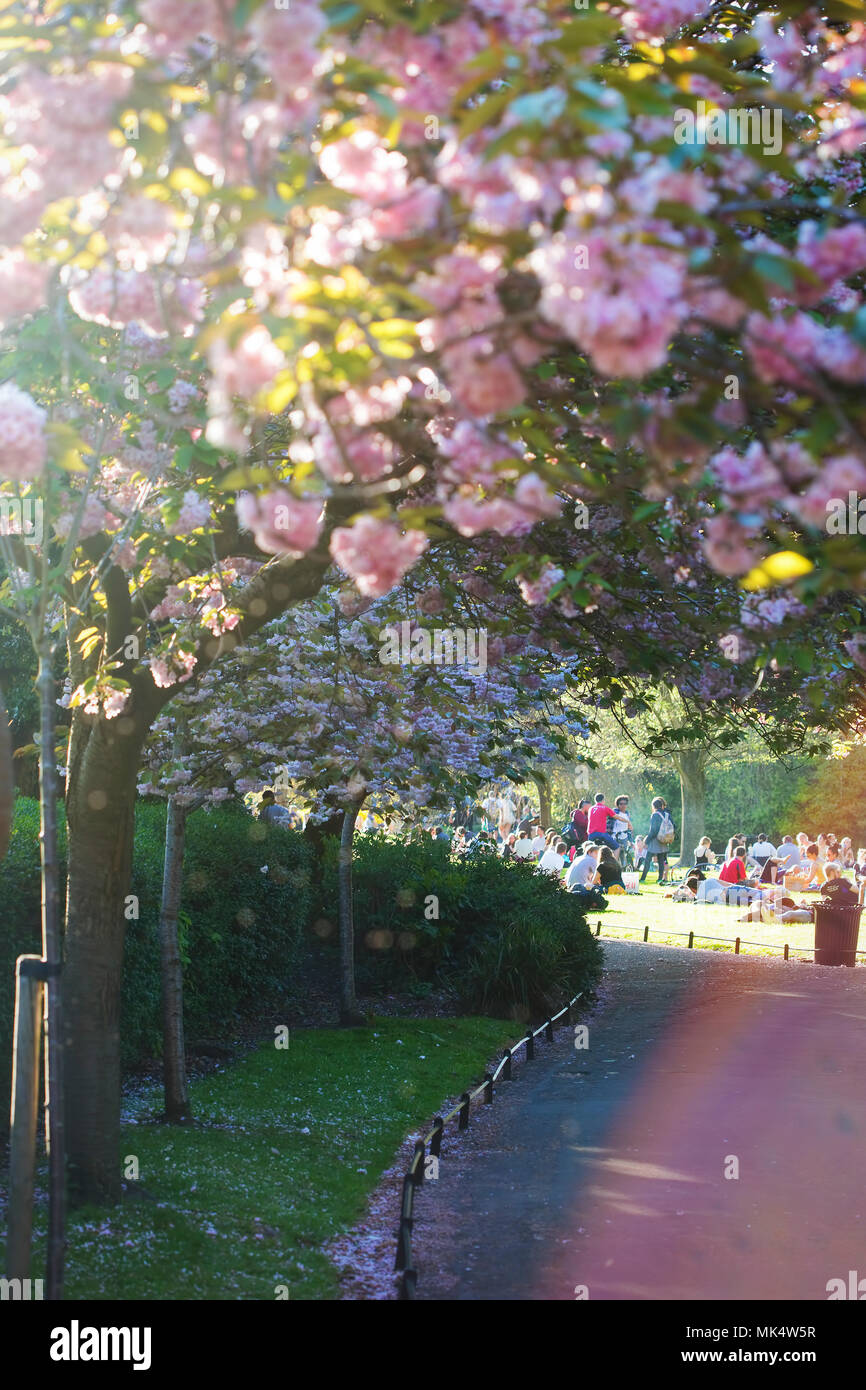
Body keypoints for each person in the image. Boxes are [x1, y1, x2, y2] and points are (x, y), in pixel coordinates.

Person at [640, 797, 674, 885]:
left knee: (648, 860)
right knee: (661, 861)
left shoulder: (655, 815)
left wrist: (646, 841)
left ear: (653, 806)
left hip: (655, 840)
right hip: (664, 840)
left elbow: (653, 830)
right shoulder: (667, 814)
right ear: (662, 805)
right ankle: (659, 879)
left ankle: (643, 878)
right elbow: (674, 826)